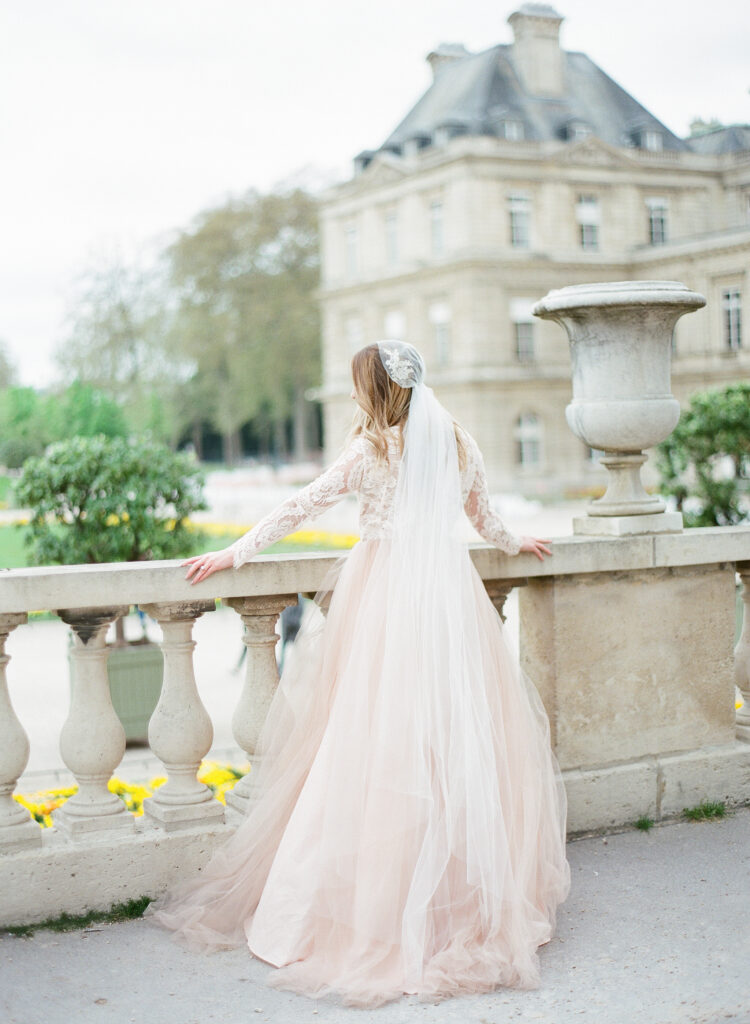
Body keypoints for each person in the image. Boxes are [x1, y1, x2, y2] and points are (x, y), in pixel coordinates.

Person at [143, 341, 571, 1009]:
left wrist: (236, 551)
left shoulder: (372, 452)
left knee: (369, 744)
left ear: (375, 390)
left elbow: (299, 508)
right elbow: (484, 519)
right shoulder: (458, 443)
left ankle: (378, 909)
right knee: (449, 744)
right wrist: (518, 544)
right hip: (449, 605)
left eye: (356, 385)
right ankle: (451, 901)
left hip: (385, 601)